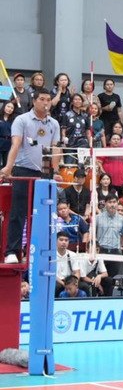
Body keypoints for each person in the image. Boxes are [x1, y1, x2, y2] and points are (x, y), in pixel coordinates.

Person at [1, 88, 61, 263]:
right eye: (42, 99)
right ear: (34, 101)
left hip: (44, 173)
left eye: (48, 99)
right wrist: (8, 167)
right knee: (18, 212)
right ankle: (11, 251)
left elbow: (56, 148)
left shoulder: (54, 123)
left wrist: (55, 170)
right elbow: (15, 144)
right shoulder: (22, 120)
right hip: (23, 170)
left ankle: (35, 249)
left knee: (43, 213)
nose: (46, 103)